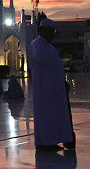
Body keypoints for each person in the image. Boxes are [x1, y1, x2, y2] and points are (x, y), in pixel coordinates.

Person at [27, 19, 74, 151]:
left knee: (53, 114)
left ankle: (51, 141)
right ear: (43, 31)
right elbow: (41, 59)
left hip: (53, 88)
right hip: (44, 88)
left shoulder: (47, 45)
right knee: (46, 115)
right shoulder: (37, 44)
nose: (53, 34)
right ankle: (45, 143)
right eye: (51, 31)